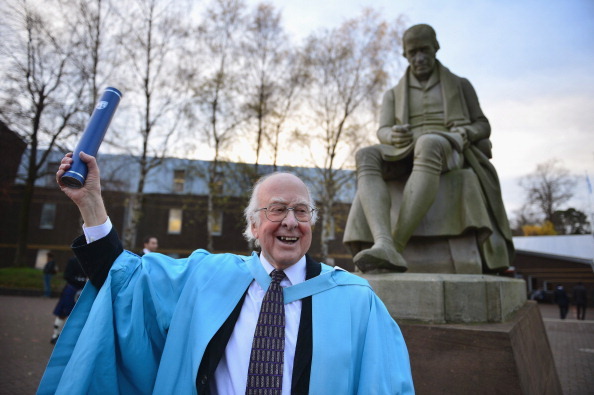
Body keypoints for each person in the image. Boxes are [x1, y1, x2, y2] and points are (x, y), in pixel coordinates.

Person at [38, 151, 414, 394]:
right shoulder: (205, 278)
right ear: (253, 225)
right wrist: (90, 202)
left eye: (302, 211)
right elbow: (122, 279)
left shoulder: (354, 300)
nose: (290, 221)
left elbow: (385, 385)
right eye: (277, 209)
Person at [345, 24, 513, 273]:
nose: (419, 58)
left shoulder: (460, 84)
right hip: (404, 150)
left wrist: (466, 132)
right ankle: (383, 243)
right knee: (365, 154)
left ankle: (396, 246)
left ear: (436, 48)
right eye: (413, 53)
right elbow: (383, 130)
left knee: (429, 142)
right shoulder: (393, 94)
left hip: (450, 146)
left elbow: (483, 125)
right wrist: (392, 134)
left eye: (424, 50)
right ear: (405, 55)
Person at [50, 256, 87, 344]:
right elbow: (67, 275)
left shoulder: (92, 260)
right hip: (72, 289)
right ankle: (55, 335)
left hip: (85, 291)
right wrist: (82, 281)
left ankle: (75, 338)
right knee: (63, 312)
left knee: (82, 315)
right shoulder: (73, 260)